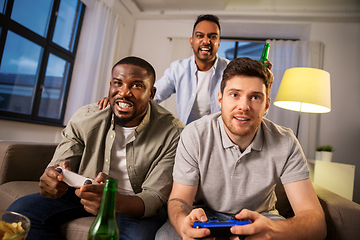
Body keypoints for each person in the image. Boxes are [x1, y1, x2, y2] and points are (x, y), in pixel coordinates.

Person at [7, 56, 184, 240]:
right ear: (110, 85)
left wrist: (111, 200)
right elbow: (60, 165)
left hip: (134, 202)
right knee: (20, 212)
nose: (124, 92)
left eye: (137, 86)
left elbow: (154, 197)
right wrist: (52, 178)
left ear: (152, 94)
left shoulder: (173, 132)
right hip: (85, 192)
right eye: (118, 83)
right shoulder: (87, 117)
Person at [155, 57, 326, 240]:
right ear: (220, 99)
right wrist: (183, 225)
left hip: (262, 217)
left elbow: (315, 221)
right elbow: (179, 199)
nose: (243, 107)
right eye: (235, 94)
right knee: (165, 237)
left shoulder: (286, 141)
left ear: (266, 105)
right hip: (205, 216)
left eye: (255, 97)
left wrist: (273, 230)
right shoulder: (194, 134)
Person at [97, 14, 272, 125]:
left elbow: (251, 104)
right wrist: (120, 99)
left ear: (219, 42)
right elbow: (153, 97)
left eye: (212, 37)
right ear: (192, 41)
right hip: (187, 136)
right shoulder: (177, 68)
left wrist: (264, 83)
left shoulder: (231, 70)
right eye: (200, 36)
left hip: (221, 136)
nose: (206, 41)